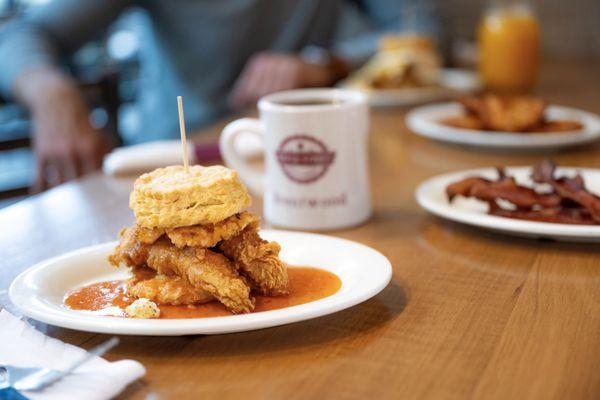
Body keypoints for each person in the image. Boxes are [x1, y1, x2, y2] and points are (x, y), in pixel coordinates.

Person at [0, 0, 437, 191]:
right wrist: (50, 90)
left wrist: (325, 62)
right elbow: (18, 34)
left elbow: (421, 28)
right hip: (170, 159)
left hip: (307, 154)